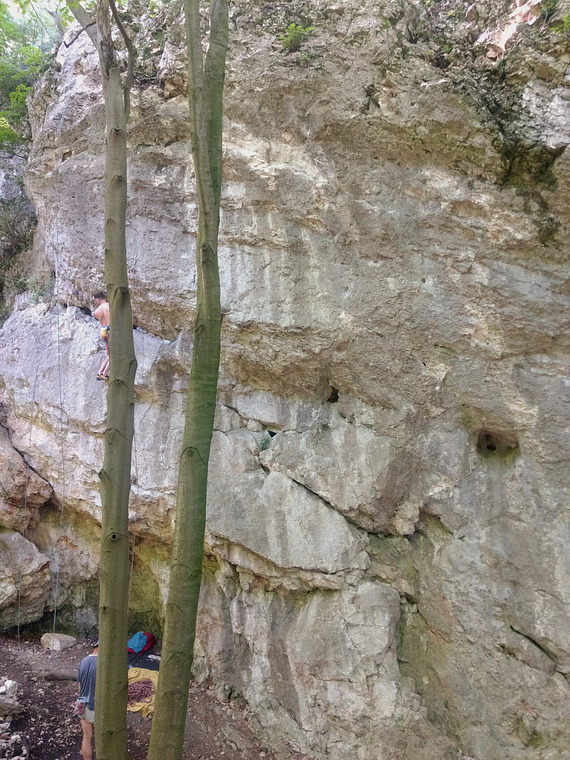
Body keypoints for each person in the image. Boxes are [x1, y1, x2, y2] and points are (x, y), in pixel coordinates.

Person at [77, 640, 98, 760]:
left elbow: (80, 687)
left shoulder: (83, 661)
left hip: (83, 704)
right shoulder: (103, 663)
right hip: (97, 706)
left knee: (86, 737)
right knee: (102, 739)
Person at [93, 292, 110, 380]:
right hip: (112, 330)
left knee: (109, 355)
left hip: (104, 331)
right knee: (114, 355)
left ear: (98, 299)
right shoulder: (109, 306)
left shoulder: (96, 311)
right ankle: (105, 373)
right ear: (104, 297)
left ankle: (99, 373)